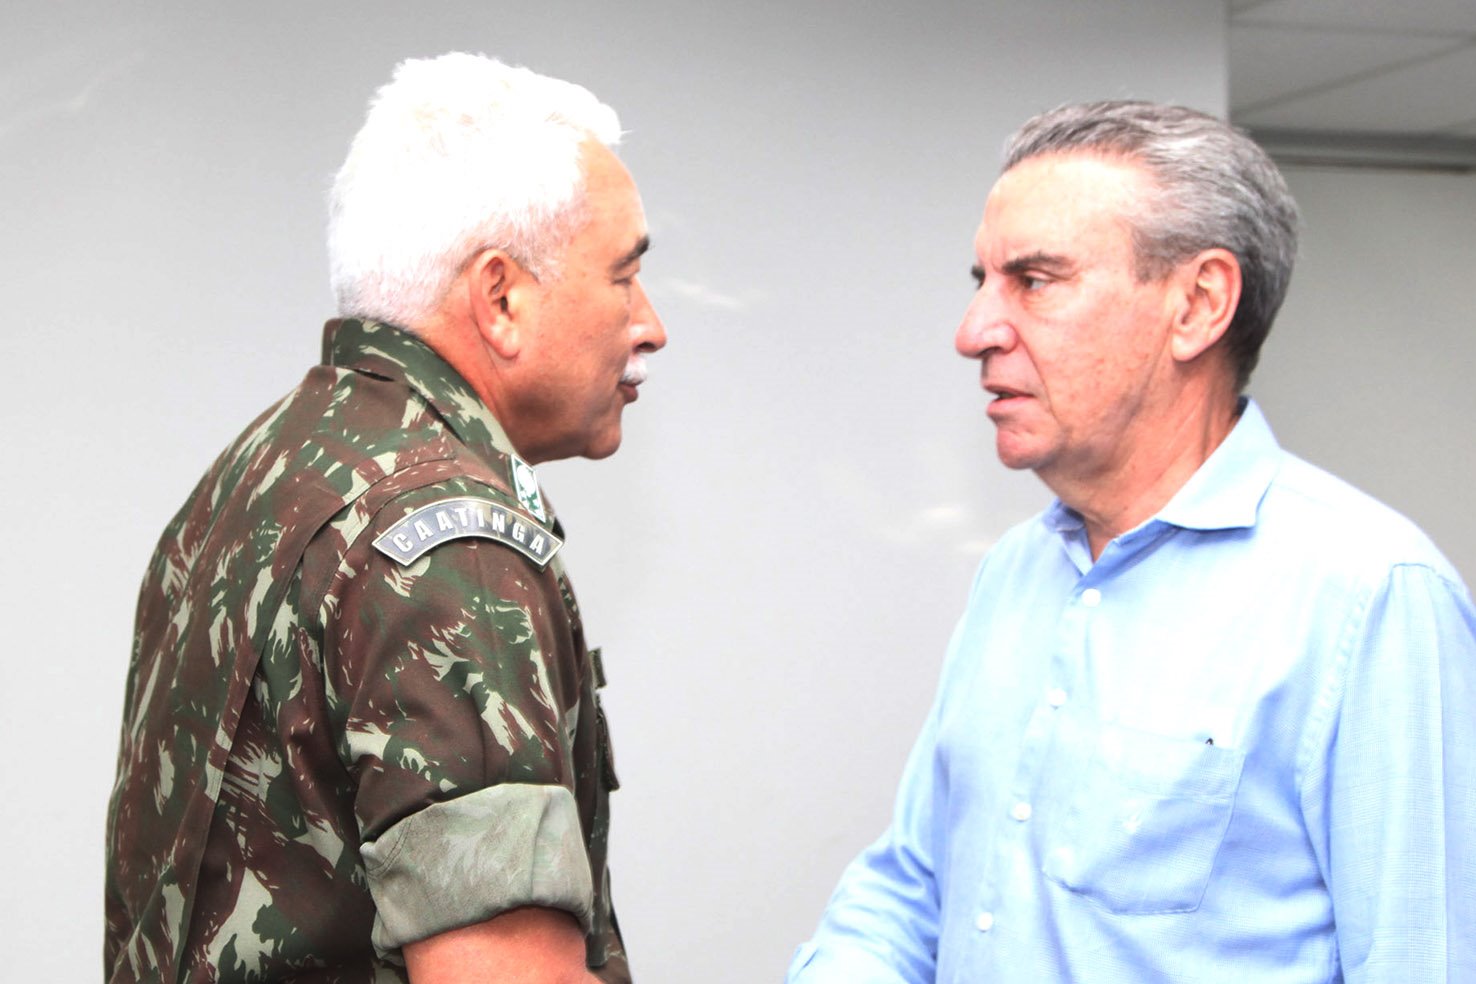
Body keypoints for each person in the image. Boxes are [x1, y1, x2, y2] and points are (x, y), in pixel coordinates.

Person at [789, 100, 1476, 982]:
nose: (974, 332)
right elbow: (914, 891)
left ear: (1198, 304)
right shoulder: (1016, 572)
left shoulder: (1371, 595)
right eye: (982, 281)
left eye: (1034, 280)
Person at [105, 52, 665, 983]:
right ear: (501, 298)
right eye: (624, 275)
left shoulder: (257, 475)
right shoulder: (451, 546)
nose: (650, 325)